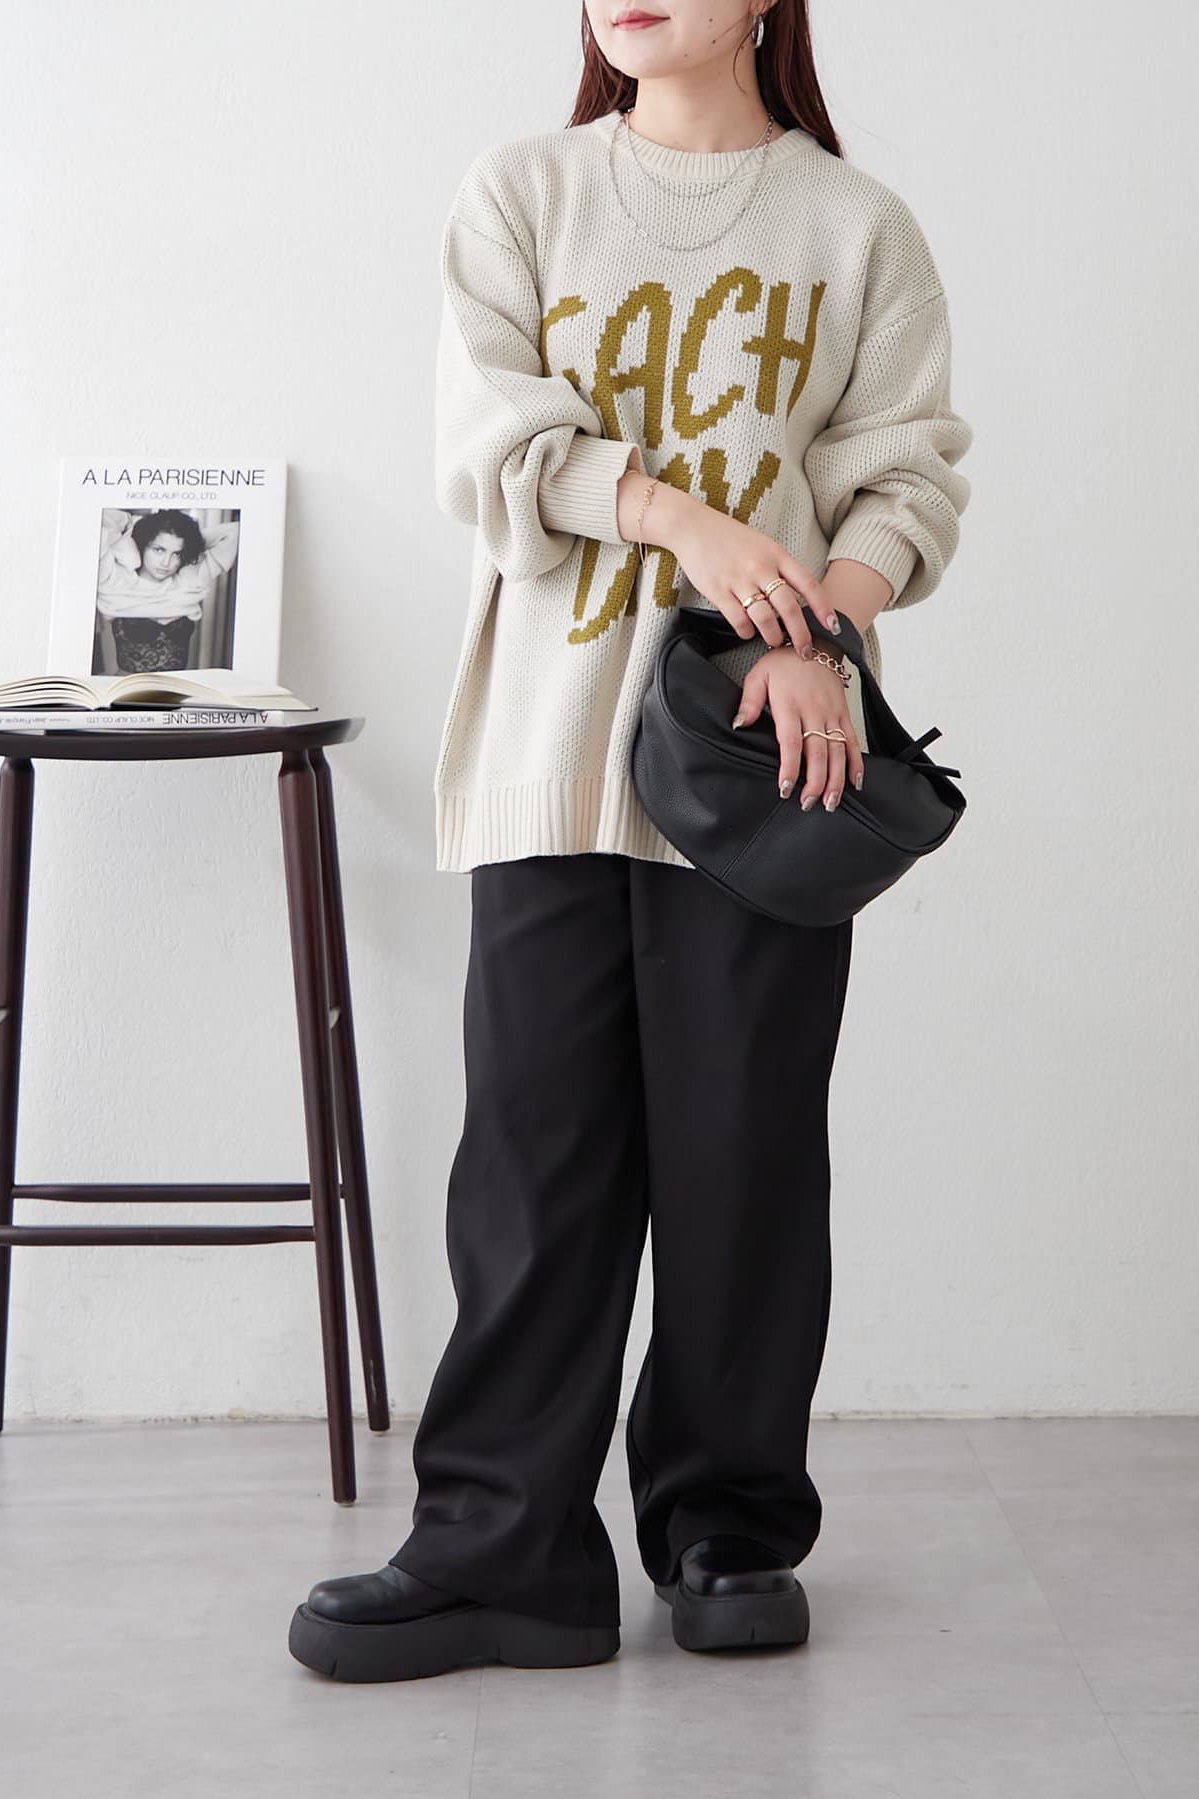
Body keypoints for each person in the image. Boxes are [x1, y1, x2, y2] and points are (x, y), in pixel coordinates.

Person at [290, 0, 972, 1684]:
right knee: (533, 1171)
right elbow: (490, 446)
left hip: (763, 763)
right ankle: (504, 1552)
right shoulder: (523, 191)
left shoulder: (855, 226)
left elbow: (904, 481)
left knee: (746, 1166)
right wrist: (688, 522)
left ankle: (726, 1531)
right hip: (549, 754)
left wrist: (816, 636)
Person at [94, 507, 240, 672]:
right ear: (142, 545)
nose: (166, 562)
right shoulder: (116, 581)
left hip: (177, 686)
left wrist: (192, 542)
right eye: (159, 550)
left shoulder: (190, 581)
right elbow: (98, 520)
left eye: (177, 554)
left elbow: (235, 532)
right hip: (127, 686)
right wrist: (130, 523)